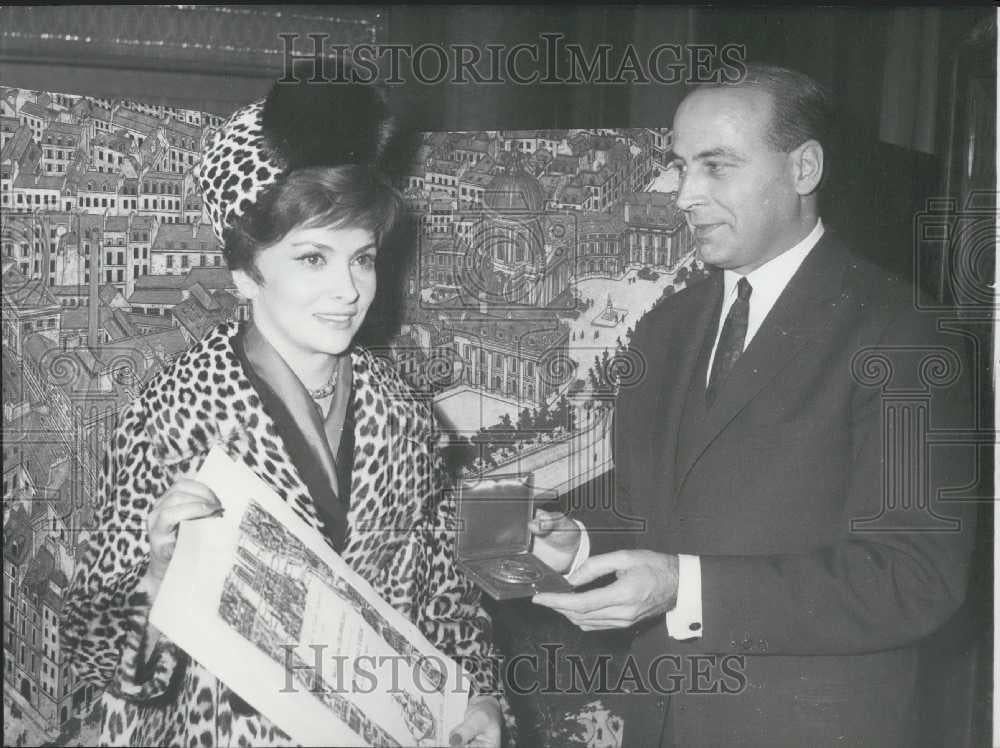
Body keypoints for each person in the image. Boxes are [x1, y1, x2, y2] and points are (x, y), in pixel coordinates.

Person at [61, 63, 508, 748]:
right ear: (244, 272)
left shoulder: (407, 418)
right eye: (310, 259)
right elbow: (94, 652)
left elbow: (444, 595)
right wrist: (159, 574)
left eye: (361, 258)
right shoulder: (174, 415)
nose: (347, 291)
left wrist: (478, 695)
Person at [531, 63, 976, 747]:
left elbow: (915, 577)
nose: (684, 194)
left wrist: (687, 589)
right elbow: (661, 499)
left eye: (716, 167)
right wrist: (582, 540)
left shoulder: (902, 330)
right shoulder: (668, 325)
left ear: (803, 169)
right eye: (680, 167)